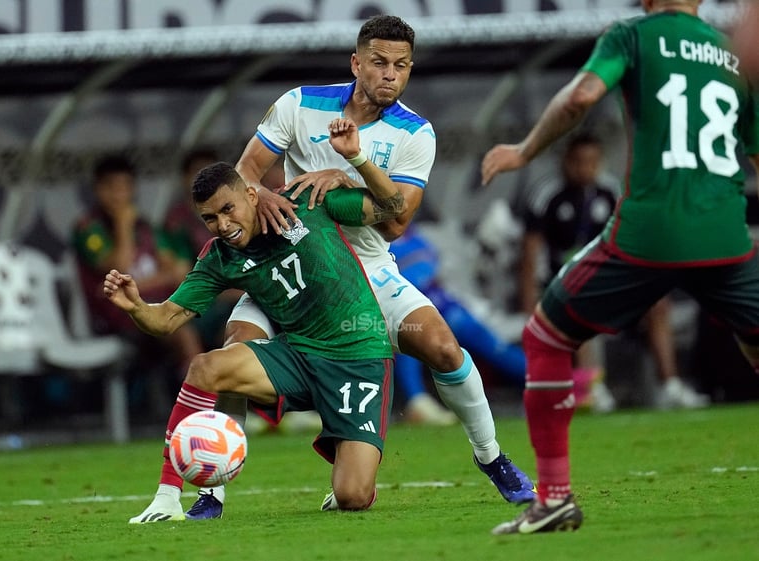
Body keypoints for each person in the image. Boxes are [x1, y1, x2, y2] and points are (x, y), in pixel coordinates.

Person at [181, 13, 535, 521]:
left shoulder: (415, 132)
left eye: (402, 66)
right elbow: (245, 173)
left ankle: (492, 458)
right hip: (292, 263)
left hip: (368, 268)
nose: (390, 74)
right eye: (379, 63)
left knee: (442, 346)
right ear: (356, 63)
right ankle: (211, 492)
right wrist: (262, 195)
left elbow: (396, 223)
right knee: (234, 350)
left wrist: (346, 174)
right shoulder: (300, 104)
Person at [481, 0, 759, 534]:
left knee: (545, 337)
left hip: (648, 237)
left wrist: (524, 149)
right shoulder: (732, 54)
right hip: (726, 236)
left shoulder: (633, 35)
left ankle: (555, 498)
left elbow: (582, 96)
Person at [117, 159, 407, 522]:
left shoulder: (309, 203)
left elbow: (395, 208)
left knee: (352, 495)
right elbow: (165, 320)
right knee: (207, 367)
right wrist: (136, 306)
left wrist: (354, 169)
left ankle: (353, 476)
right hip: (298, 355)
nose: (222, 225)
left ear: (251, 195)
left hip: (359, 357)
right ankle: (168, 497)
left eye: (228, 209)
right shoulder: (220, 257)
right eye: (209, 218)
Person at [519, 133, 709, 412]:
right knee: (578, 303)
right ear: (565, 161)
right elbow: (529, 258)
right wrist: (528, 308)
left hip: (607, 282)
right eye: (578, 162)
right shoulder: (545, 194)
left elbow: (632, 244)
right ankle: (594, 388)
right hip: (560, 285)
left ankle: (670, 386)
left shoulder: (612, 192)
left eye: (592, 162)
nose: (585, 168)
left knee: (657, 304)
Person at [72, 154, 203, 411]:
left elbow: (178, 270)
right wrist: (122, 224)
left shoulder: (145, 228)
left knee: (210, 322)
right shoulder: (89, 229)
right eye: (112, 187)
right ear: (99, 190)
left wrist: (140, 283)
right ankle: (199, 407)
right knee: (181, 330)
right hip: (115, 317)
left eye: (125, 187)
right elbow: (117, 269)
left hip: (157, 305)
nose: (120, 195)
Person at [389, 223, 528, 424]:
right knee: (408, 332)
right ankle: (416, 402)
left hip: (443, 306)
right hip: (404, 310)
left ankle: (550, 378)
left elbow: (434, 272)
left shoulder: (416, 235)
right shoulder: (373, 241)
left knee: (492, 345)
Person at [162, 148, 243, 350]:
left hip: (241, 294)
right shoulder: (176, 222)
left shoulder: (239, 213)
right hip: (208, 303)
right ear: (184, 178)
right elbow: (182, 277)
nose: (205, 180)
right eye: (197, 173)